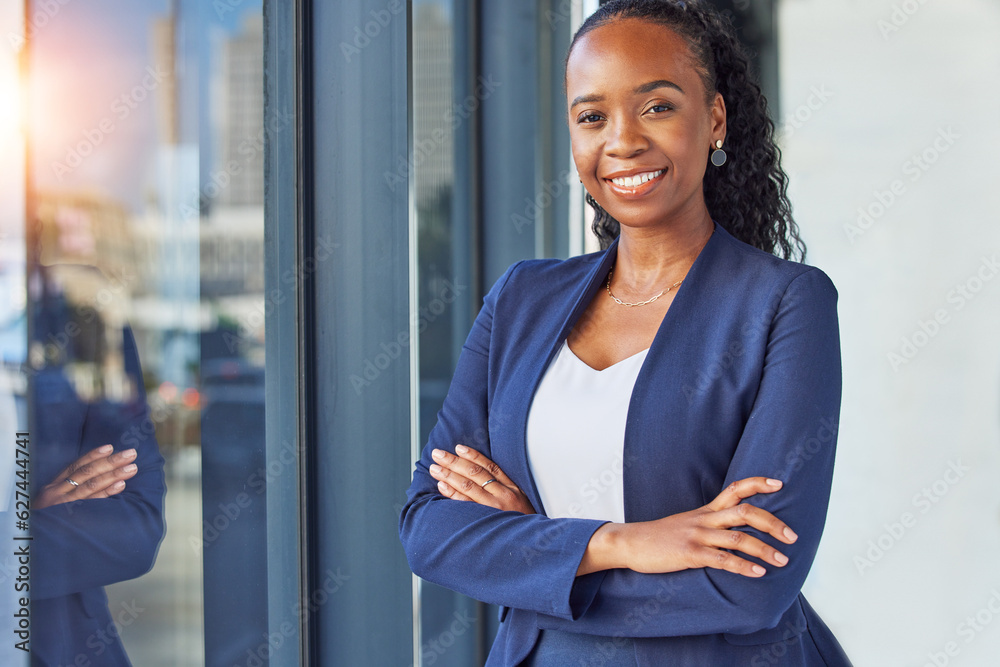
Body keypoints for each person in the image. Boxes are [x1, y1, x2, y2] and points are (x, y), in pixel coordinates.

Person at [399, 1, 852, 664]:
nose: (623, 140)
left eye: (657, 106)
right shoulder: (521, 299)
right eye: (591, 116)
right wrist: (619, 541)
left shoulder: (786, 303)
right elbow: (429, 528)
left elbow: (752, 583)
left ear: (715, 120)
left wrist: (532, 550)